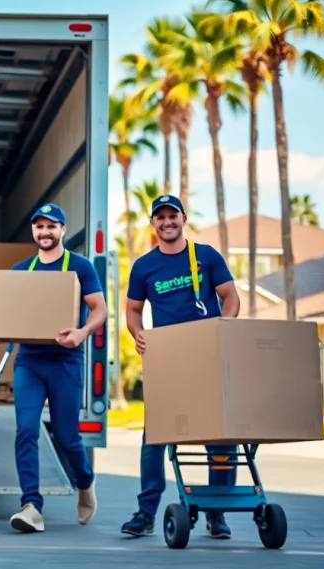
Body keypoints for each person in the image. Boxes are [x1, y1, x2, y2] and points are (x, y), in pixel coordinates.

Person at [0, 203, 106, 533]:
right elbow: (10, 320)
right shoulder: (22, 270)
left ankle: (85, 482)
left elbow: (99, 310)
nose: (45, 232)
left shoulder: (80, 267)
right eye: (39, 226)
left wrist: (82, 332)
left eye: (51, 226)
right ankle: (31, 506)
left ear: (62, 229)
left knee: (66, 437)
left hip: (65, 362)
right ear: (33, 231)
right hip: (30, 362)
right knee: (26, 431)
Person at [121, 194, 241, 540]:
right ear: (153, 224)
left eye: (173, 216)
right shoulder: (144, 266)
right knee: (154, 438)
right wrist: (138, 334)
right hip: (168, 360)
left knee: (220, 437)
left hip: (208, 356)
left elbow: (230, 296)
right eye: (160, 217)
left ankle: (216, 513)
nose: (167, 222)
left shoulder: (205, 256)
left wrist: (225, 327)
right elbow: (132, 309)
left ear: (183, 219)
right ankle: (145, 513)